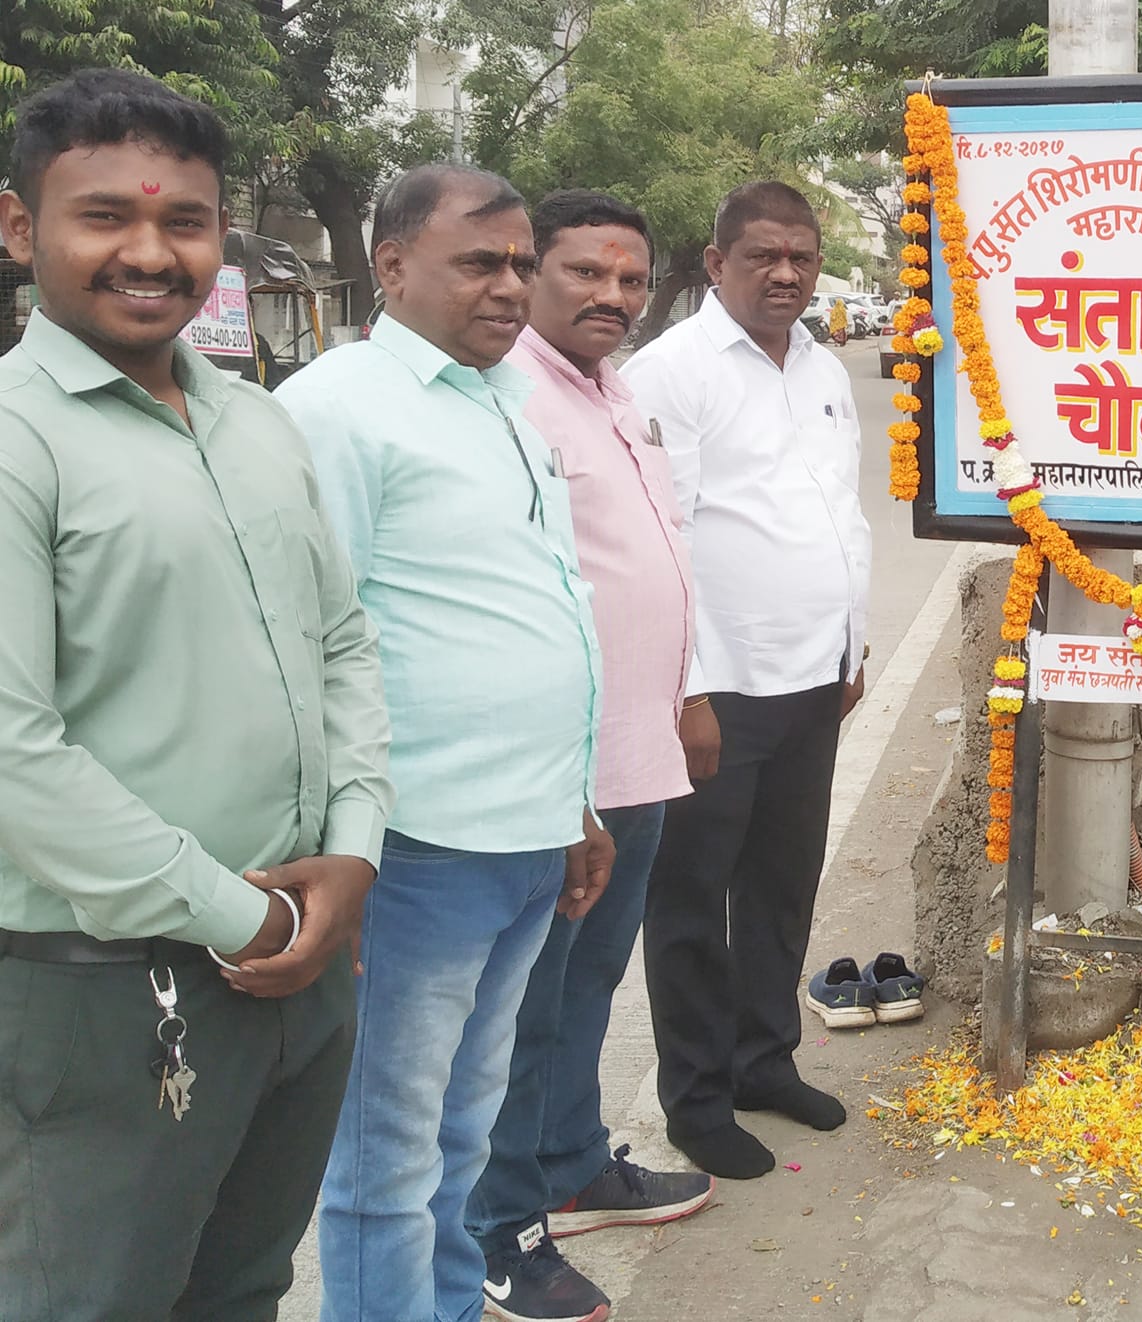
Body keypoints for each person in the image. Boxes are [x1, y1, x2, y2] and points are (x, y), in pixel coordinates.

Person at [0, 70, 393, 1319]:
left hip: (299, 964)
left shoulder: (256, 422)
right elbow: (15, 748)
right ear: (20, 229)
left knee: (242, 1284)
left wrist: (354, 849)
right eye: (103, 215)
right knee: (94, 1296)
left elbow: (341, 641)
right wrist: (248, 918)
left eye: (184, 222)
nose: (149, 252)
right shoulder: (20, 442)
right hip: (106, 986)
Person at [276, 163, 614, 1322]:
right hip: (413, 847)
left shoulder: (499, 399)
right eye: (481, 259)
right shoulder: (337, 406)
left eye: (521, 261)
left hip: (524, 836)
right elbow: (311, 644)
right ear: (392, 264)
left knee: (462, 1137)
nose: (512, 284)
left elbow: (538, 610)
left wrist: (573, 802)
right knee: (385, 1158)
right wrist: (344, 850)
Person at [464, 188, 713, 1322]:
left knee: (587, 989)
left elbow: (651, 556)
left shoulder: (613, 392)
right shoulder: (504, 398)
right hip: (555, 776)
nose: (613, 295)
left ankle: (570, 1162)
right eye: (584, 274)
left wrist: (686, 692)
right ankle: (496, 1226)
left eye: (629, 277)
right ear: (526, 274)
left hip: (636, 750)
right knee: (521, 1011)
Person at [623, 181, 872, 1180]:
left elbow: (839, 513)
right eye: (762, 255)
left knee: (778, 884)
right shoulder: (669, 373)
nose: (784, 274)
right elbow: (657, 539)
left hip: (813, 677)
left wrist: (853, 648)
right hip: (717, 687)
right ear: (715, 261)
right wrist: (681, 690)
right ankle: (694, 1095)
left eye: (801, 257)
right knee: (689, 897)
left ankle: (763, 1059)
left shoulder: (821, 365)